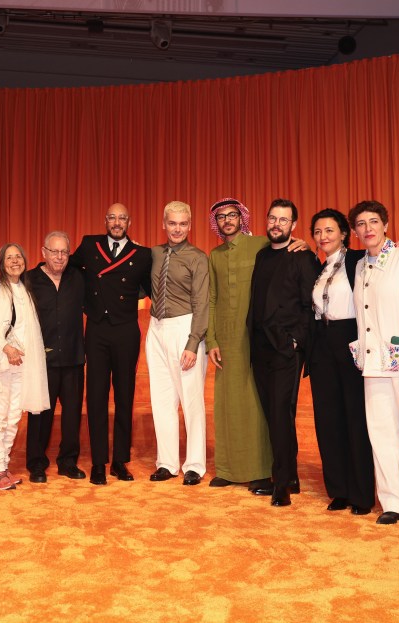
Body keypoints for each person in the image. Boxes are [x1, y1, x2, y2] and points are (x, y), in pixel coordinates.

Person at [349, 200, 399, 525]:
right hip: (372, 362)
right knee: (381, 433)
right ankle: (394, 501)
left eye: (373, 222)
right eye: (361, 224)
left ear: (385, 224)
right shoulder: (359, 266)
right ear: (354, 231)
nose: (367, 229)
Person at [247, 199, 320, 506]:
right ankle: (289, 475)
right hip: (261, 347)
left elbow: (311, 305)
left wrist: (296, 341)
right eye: (273, 218)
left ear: (293, 225)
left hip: (286, 349)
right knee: (274, 415)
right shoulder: (263, 255)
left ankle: (282, 486)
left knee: (281, 414)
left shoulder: (302, 257)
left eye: (284, 220)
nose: (277, 224)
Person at [75, 204, 153, 485]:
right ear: (105, 220)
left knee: (124, 396)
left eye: (122, 218)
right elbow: (70, 273)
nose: (117, 222)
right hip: (96, 328)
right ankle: (98, 462)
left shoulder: (142, 254)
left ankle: (120, 461)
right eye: (112, 217)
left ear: (129, 221)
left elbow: (152, 286)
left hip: (125, 330)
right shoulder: (89, 244)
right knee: (95, 396)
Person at [308, 208, 374, 516]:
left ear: (344, 233)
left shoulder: (359, 260)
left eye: (329, 231)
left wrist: (397, 247)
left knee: (355, 417)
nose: (323, 237)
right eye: (318, 232)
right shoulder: (318, 268)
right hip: (322, 343)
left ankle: (361, 493)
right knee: (328, 418)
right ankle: (338, 490)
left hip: (349, 338)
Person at [205, 198, 274, 490]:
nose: (227, 221)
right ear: (216, 223)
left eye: (232, 215)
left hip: (256, 338)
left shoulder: (260, 244)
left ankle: (261, 470)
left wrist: (303, 245)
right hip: (227, 341)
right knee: (227, 404)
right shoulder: (215, 255)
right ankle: (229, 469)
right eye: (221, 217)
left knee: (256, 403)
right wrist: (211, 339)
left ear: (242, 217)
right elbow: (212, 298)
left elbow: (286, 251)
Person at [146, 201, 210, 485]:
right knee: (161, 400)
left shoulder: (198, 257)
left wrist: (193, 342)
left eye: (183, 224)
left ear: (190, 226)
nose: (177, 229)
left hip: (185, 328)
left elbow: (202, 302)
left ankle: (195, 464)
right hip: (156, 328)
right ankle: (167, 463)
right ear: (163, 224)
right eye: (172, 223)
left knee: (191, 399)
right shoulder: (154, 254)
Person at [0, 243, 51, 490]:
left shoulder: (25, 289)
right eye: (9, 258)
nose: (14, 261)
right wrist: (7, 349)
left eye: (18, 257)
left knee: (12, 419)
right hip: (1, 366)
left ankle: (3, 466)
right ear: (1, 263)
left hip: (22, 366)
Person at [24, 231, 87, 483]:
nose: (59, 257)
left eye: (64, 252)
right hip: (42, 361)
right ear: (43, 252)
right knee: (40, 414)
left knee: (72, 414)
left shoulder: (79, 278)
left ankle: (68, 462)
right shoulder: (29, 280)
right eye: (54, 251)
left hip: (73, 357)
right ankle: (36, 464)